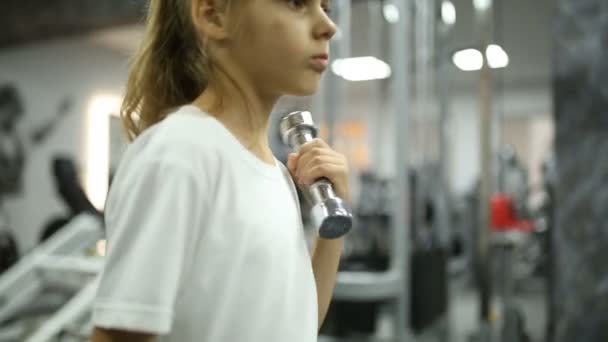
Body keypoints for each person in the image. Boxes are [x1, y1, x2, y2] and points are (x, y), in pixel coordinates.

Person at [91, 0, 348, 341]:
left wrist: (333, 230)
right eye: (297, 3)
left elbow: (296, 322)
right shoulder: (179, 154)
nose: (328, 27)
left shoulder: (275, 173)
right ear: (213, 15)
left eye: (325, 8)